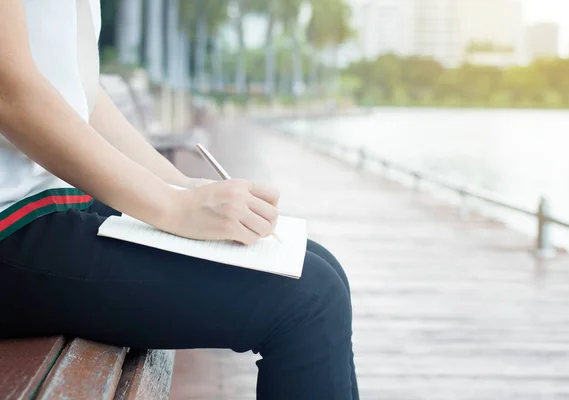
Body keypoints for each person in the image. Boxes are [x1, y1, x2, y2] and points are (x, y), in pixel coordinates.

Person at [0, 1, 358, 399]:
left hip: (48, 204)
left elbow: (77, 92)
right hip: (11, 222)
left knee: (317, 268)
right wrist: (174, 209)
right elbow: (10, 91)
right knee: (309, 299)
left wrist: (180, 186)